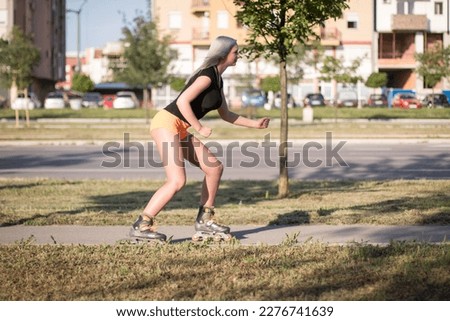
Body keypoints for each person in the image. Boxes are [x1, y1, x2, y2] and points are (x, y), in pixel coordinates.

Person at [129, 36, 270, 242]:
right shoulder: (206, 76)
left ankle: (205, 219)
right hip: (167, 123)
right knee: (177, 180)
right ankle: (142, 224)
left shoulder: (218, 80)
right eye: (235, 52)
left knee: (214, 167)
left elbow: (227, 115)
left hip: (180, 127)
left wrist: (255, 124)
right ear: (223, 54)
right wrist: (199, 126)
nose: (238, 56)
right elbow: (183, 100)